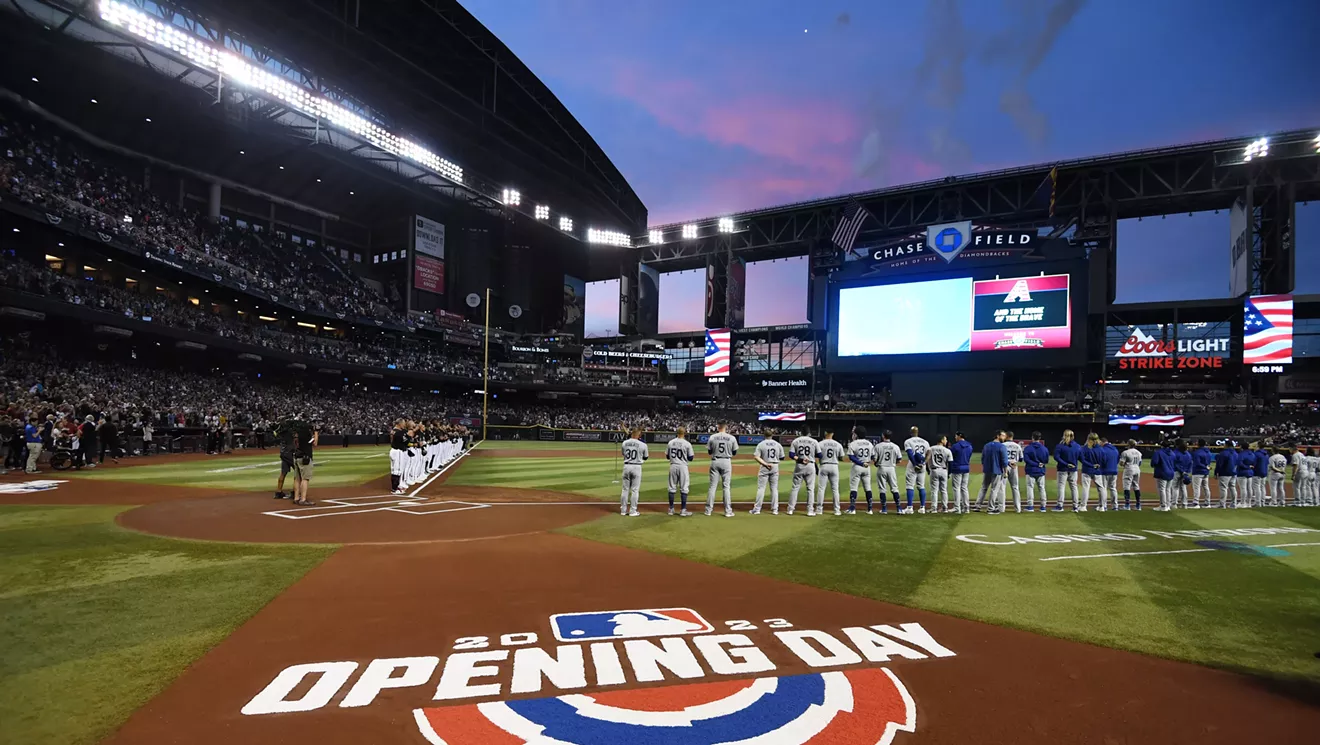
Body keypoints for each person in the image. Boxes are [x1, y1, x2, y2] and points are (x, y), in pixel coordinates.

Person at [705, 424, 738, 517]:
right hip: (726, 461)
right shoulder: (731, 438)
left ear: (718, 427)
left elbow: (709, 452)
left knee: (712, 486)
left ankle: (708, 510)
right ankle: (728, 511)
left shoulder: (712, 437)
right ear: (725, 427)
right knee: (726, 487)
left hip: (715, 461)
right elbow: (734, 452)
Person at [750, 430, 784, 515]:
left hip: (765, 466)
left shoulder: (761, 444)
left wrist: (765, 464)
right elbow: (782, 457)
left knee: (761, 488)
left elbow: (756, 457)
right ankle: (775, 509)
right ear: (772, 435)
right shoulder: (778, 444)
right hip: (775, 466)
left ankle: (757, 509)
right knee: (774, 489)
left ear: (764, 435)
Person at [787, 429, 819, 516]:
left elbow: (791, 455)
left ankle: (790, 509)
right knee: (810, 489)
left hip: (799, 465)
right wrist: (811, 455)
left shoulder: (796, 441)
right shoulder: (814, 441)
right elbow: (820, 455)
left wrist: (801, 459)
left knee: (795, 488)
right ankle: (810, 510)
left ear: (801, 432)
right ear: (809, 433)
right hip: (810, 465)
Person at [846, 426, 877, 514]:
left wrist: (861, 463)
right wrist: (867, 462)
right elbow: (873, 456)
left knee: (854, 488)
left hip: (857, 467)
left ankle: (852, 509)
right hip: (867, 467)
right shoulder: (869, 443)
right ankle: (870, 509)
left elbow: (851, 457)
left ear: (856, 434)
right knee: (868, 488)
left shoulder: (853, 443)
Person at [619, 428, 648, 517]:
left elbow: (623, 454)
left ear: (631, 434)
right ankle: (633, 511)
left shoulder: (625, 443)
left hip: (626, 466)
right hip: (637, 467)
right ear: (639, 435)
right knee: (635, 490)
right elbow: (646, 457)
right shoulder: (643, 444)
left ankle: (623, 510)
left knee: (625, 489)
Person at [665, 427, 695, 516]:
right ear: (684, 433)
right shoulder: (687, 444)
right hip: (683, 466)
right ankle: (683, 510)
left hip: (673, 466)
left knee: (671, 487)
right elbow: (691, 458)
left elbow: (667, 456)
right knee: (684, 488)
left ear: (676, 433)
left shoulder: (671, 442)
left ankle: (671, 509)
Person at [814, 429, 844, 516]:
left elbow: (816, 457)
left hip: (824, 465)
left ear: (825, 433)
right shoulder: (838, 444)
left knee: (821, 489)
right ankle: (837, 510)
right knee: (835, 489)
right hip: (834, 466)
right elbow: (841, 457)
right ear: (833, 434)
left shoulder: (820, 443)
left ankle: (819, 510)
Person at [902, 426, 930, 514]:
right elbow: (929, 453)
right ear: (918, 432)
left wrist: (914, 464)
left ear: (910, 432)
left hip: (912, 465)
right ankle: (922, 508)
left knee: (910, 486)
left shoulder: (908, 441)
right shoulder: (925, 442)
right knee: (921, 486)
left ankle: (910, 508)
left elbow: (910, 454)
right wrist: (924, 463)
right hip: (922, 465)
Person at [290, 417, 317, 506]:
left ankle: (296, 498)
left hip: (296, 456)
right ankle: (303, 499)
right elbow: (315, 443)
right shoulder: (306, 434)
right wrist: (316, 432)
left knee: (297, 479)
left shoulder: (296, 434)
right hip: (305, 457)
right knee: (305, 479)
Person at [874, 430, 903, 513]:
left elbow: (875, 459)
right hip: (891, 468)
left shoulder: (878, 446)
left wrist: (876, 463)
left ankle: (884, 509)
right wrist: (893, 462)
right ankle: (899, 508)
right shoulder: (895, 446)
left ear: (883, 436)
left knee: (882, 489)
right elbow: (900, 460)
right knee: (894, 488)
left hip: (882, 468)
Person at [981, 431, 1008, 514]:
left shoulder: (986, 445)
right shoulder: (1001, 446)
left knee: (984, 488)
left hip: (987, 470)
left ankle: (977, 505)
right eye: (1003, 436)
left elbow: (983, 458)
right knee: (994, 490)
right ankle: (991, 508)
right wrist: (1005, 472)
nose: (1004, 438)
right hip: (996, 471)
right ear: (997, 436)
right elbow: (1004, 461)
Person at [1053, 430, 1081, 512]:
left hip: (1062, 469)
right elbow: (1081, 458)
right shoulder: (1077, 446)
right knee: (1074, 487)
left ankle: (1060, 505)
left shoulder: (1060, 446)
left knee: (1061, 486)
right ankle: (1075, 506)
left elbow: (1056, 457)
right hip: (1073, 469)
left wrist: (1065, 464)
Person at [1022, 432, 1049, 512]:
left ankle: (1030, 506)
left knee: (1030, 487)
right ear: (1039, 438)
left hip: (1031, 470)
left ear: (1032, 437)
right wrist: (1039, 464)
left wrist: (1035, 464)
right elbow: (1046, 460)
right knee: (1042, 488)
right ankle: (1043, 507)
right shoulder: (1044, 448)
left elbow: (1026, 460)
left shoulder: (1028, 448)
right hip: (1041, 470)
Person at [1076, 433, 1102, 512]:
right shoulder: (1101, 449)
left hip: (1087, 470)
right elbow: (1104, 459)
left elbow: (1082, 460)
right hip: (1098, 471)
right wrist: (1097, 465)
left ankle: (1083, 506)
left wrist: (1091, 465)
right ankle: (1102, 506)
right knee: (1101, 488)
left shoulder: (1084, 448)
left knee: (1086, 488)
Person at [928, 435, 953, 513]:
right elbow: (950, 463)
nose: (946, 441)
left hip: (934, 470)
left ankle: (934, 508)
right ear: (941, 440)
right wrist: (949, 473)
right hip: (944, 470)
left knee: (934, 490)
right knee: (943, 490)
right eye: (945, 439)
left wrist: (928, 471)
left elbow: (926, 460)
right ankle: (945, 508)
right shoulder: (947, 450)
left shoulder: (930, 449)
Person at [950, 432, 973, 514]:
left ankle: (957, 507)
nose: (955, 437)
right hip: (966, 467)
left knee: (956, 488)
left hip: (957, 468)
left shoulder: (955, 446)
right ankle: (966, 508)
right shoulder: (970, 446)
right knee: (964, 488)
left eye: (956, 436)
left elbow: (951, 457)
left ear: (959, 436)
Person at [1002, 431, 1024, 513]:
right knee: (1015, 487)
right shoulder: (1017, 446)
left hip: (1004, 467)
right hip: (1014, 466)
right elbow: (1021, 459)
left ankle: (1002, 508)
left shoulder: (1003, 445)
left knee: (1002, 487)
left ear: (1007, 436)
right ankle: (1018, 509)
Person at [1096, 436, 1120, 511]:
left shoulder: (1102, 450)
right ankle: (1115, 506)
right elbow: (1117, 460)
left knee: (1103, 488)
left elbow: (1102, 461)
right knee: (1113, 488)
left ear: (1102, 442)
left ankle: (1104, 505)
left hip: (1105, 471)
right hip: (1114, 471)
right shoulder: (1115, 449)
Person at [1119, 439, 1144, 510]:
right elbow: (1140, 463)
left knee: (1126, 486)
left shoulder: (1125, 452)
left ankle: (1127, 505)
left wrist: (1122, 463)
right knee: (1136, 486)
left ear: (1128, 444)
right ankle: (1138, 505)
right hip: (1137, 469)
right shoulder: (1139, 452)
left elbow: (1121, 463)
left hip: (1129, 469)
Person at [1151, 441, 1176, 511]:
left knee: (1162, 489)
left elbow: (1154, 462)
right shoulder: (1173, 453)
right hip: (1171, 472)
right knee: (1168, 489)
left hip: (1162, 472)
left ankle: (1163, 506)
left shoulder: (1158, 452)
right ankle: (1168, 505)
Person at [1214, 440, 1239, 509]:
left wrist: (1216, 472)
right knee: (1233, 488)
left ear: (1226, 445)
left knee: (1223, 488)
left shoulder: (1223, 453)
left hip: (1224, 473)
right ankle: (1234, 504)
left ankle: (1222, 504)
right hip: (1233, 472)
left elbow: (1219, 465)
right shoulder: (1236, 453)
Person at [1190, 439, 1213, 508]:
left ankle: (1196, 503)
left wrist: (1204, 467)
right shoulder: (1208, 452)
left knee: (1197, 487)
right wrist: (1206, 467)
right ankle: (1207, 502)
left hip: (1198, 471)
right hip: (1206, 472)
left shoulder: (1197, 452)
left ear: (1198, 444)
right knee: (1206, 487)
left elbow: (1197, 463)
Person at [388, 419, 408, 494]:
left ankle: (395, 487)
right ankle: (395, 488)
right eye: (403, 423)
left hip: (393, 450)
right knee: (397, 470)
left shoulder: (393, 430)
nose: (404, 425)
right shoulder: (399, 432)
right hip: (398, 451)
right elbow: (406, 441)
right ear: (399, 423)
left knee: (393, 470)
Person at [1234, 440, 1255, 508]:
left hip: (1242, 472)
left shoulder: (1241, 454)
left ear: (1241, 447)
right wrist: (1250, 467)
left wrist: (1246, 466)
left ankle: (1243, 503)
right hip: (1250, 472)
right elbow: (1255, 462)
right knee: (1249, 488)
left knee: (1243, 488)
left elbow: (1239, 463)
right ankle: (1249, 503)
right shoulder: (1252, 453)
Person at [1173, 440, 1193, 508]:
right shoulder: (1188, 454)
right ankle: (1184, 504)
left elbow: (1175, 464)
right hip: (1185, 473)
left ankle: (1174, 504)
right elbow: (1190, 464)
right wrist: (1187, 472)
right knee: (1183, 488)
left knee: (1175, 488)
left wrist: (1182, 471)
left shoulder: (1175, 453)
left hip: (1177, 472)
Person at [1252, 442, 1270, 508]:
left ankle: (1258, 503)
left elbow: (1253, 463)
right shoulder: (1266, 454)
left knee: (1257, 488)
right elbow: (1267, 464)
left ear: (1258, 446)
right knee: (1262, 487)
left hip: (1257, 472)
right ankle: (1262, 502)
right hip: (1264, 472)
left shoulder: (1256, 454)